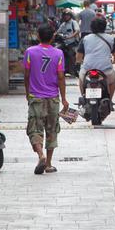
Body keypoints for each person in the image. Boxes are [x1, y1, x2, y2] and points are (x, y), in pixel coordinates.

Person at [23, 24, 70, 174]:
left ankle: (40, 155)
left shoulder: (30, 52)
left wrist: (27, 92)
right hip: (53, 98)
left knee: (35, 129)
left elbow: (26, 74)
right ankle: (48, 164)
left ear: (38, 36)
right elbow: (61, 77)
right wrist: (64, 99)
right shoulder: (58, 53)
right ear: (53, 37)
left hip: (35, 97)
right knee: (52, 130)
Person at [77, 16, 115, 101]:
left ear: (91, 27)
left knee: (81, 79)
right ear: (104, 26)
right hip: (106, 71)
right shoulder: (111, 38)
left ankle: (83, 97)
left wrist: (79, 62)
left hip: (87, 70)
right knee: (113, 80)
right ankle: (110, 101)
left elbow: (78, 56)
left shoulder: (85, 39)